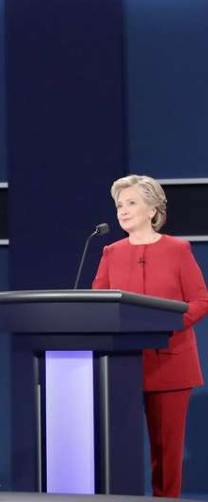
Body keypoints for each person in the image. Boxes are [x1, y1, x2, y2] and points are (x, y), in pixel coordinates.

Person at [91, 174, 208, 498]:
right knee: (118, 447)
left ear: (153, 209)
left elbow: (200, 300)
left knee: (166, 452)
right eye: (119, 205)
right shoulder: (111, 252)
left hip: (171, 362)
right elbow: (97, 302)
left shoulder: (178, 249)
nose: (123, 211)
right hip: (122, 365)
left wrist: (168, 325)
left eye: (131, 203)